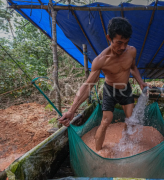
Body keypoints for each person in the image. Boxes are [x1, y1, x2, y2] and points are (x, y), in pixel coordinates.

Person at [58, 17, 149, 151]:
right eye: (119, 42)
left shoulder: (131, 51)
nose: (122, 47)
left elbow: (133, 67)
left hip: (125, 88)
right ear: (109, 38)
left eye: (126, 42)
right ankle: (98, 151)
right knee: (106, 120)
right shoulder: (101, 60)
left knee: (130, 119)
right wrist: (72, 111)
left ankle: (125, 141)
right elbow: (88, 84)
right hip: (109, 89)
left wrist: (141, 82)